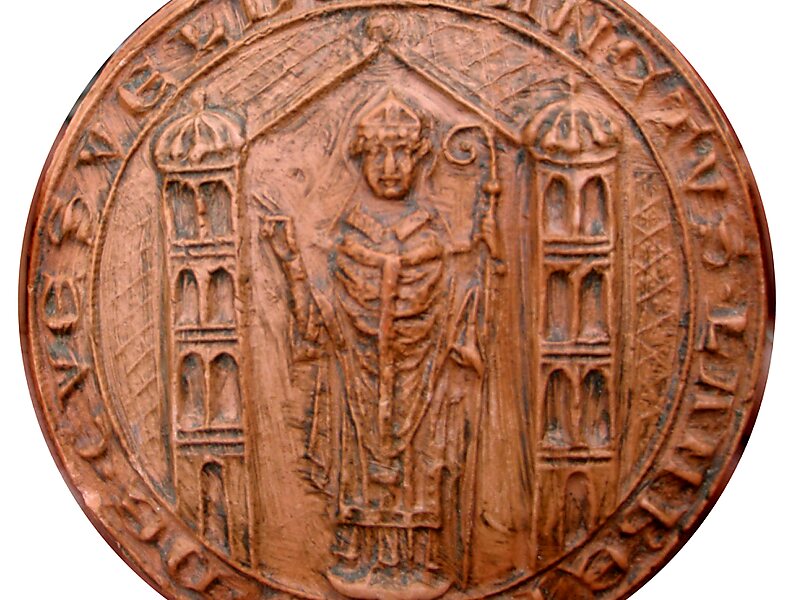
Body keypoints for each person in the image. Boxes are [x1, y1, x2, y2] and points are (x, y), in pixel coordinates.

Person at [260, 90, 499, 599]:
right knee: (358, 468)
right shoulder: (346, 235)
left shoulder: (434, 235)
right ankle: (358, 554)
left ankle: (419, 558)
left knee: (422, 466)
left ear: (419, 160)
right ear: (360, 159)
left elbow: (456, 302)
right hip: (356, 379)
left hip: (423, 378)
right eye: (378, 155)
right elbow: (320, 323)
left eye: (401, 155)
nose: (390, 168)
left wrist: (475, 287)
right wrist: (291, 262)